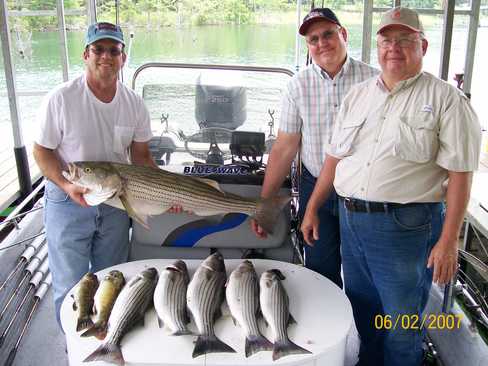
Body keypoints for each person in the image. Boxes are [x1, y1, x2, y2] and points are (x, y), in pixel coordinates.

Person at [301, 7, 481, 366]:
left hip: (405, 228)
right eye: (386, 40)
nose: (393, 48)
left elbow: (461, 174)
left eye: (404, 40)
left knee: (401, 323)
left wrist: (448, 241)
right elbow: (334, 160)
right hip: (352, 224)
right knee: (364, 311)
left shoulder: (447, 99)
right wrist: (312, 208)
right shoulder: (359, 95)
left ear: (423, 45)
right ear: (377, 45)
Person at [33, 22, 157, 329]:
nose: (106, 56)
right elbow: (42, 152)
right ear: (85, 55)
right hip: (68, 200)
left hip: (115, 202)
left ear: (123, 58)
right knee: (72, 284)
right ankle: (74, 349)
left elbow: (141, 158)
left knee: (112, 278)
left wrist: (170, 191)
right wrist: (65, 183)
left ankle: (106, 339)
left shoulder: (134, 104)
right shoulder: (61, 99)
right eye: (98, 49)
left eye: (114, 50)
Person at [251, 8, 378, 287]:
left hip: (362, 189)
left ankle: (365, 330)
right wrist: (265, 204)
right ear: (308, 46)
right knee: (319, 269)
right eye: (313, 39)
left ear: (343, 34)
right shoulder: (297, 86)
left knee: (364, 271)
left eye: (328, 34)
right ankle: (328, 328)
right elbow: (285, 147)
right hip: (314, 183)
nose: (322, 44)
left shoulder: (375, 81)